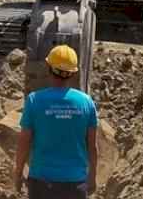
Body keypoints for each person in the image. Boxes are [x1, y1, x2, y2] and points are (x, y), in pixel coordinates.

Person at [13, 45, 99, 198]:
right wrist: (92, 177)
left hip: (41, 183)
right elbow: (92, 146)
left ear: (48, 68)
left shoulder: (34, 100)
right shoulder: (86, 102)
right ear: (73, 74)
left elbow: (24, 142)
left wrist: (18, 173)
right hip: (75, 184)